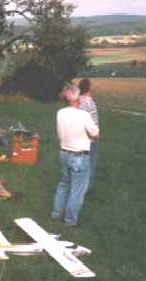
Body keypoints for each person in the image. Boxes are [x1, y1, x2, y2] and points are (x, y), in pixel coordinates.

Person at [52, 84, 99, 226]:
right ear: (74, 99)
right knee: (78, 189)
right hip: (79, 156)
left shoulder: (60, 112)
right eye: (78, 97)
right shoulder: (84, 115)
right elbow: (95, 134)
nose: (80, 100)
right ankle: (70, 220)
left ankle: (56, 214)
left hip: (64, 153)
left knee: (63, 184)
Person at [78, 78, 99, 192]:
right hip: (90, 138)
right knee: (90, 163)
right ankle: (86, 188)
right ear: (89, 88)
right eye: (92, 85)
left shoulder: (77, 100)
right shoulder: (89, 101)